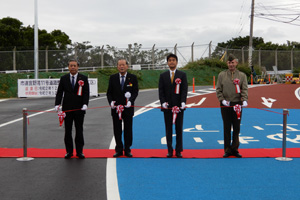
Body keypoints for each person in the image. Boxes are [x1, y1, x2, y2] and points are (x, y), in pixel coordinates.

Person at [55, 59, 90, 159]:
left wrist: (85, 104)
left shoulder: (83, 78)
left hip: (79, 109)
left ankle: (80, 151)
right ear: (68, 67)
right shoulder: (64, 78)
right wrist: (57, 104)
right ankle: (69, 151)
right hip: (67, 109)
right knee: (68, 130)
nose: (73, 67)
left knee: (79, 130)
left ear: (78, 67)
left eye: (74, 65)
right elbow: (60, 92)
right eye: (71, 66)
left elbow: (86, 92)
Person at [216, 54, 248, 158]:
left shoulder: (242, 75)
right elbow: (218, 89)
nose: (231, 64)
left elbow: (244, 89)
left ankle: (235, 149)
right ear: (227, 63)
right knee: (226, 127)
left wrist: (245, 99)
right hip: (226, 104)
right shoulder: (222, 75)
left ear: (236, 63)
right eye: (229, 63)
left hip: (237, 104)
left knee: (236, 127)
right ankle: (227, 149)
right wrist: (222, 100)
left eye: (233, 62)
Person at [107, 59, 139, 157]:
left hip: (128, 108)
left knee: (128, 128)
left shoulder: (132, 78)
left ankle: (127, 149)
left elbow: (135, 91)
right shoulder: (113, 78)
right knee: (117, 129)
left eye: (123, 65)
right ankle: (119, 149)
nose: (121, 66)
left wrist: (131, 101)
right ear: (117, 66)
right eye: (119, 65)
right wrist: (111, 102)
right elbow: (109, 93)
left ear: (127, 66)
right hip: (116, 108)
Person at [159, 53, 188, 158]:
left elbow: (184, 90)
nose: (171, 62)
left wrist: (183, 102)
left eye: (173, 60)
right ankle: (170, 150)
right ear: (167, 62)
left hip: (179, 107)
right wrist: (163, 103)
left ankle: (179, 150)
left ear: (176, 62)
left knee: (179, 129)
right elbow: (161, 91)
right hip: (167, 107)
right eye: (170, 60)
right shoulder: (163, 76)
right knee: (168, 129)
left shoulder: (182, 75)